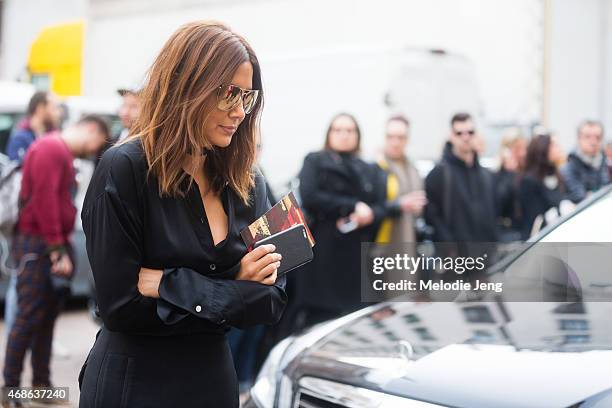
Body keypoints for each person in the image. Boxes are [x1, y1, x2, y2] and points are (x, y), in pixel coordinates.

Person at [77, 22, 287, 408]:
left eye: (247, 96)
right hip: (136, 383)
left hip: (212, 381)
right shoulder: (123, 168)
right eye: (228, 94)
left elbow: (273, 297)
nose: (240, 111)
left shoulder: (250, 179)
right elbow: (120, 308)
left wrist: (169, 285)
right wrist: (237, 283)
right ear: (187, 87)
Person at [2, 116, 109, 408]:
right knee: (27, 318)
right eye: (96, 144)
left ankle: (40, 385)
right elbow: (45, 202)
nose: (92, 151)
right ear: (91, 129)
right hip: (38, 245)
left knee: (46, 318)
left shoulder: (55, 150)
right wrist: (56, 249)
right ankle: (9, 390)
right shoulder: (52, 149)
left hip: (43, 244)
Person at [288, 112, 385, 332]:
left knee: (353, 324)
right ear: (329, 134)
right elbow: (310, 195)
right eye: (338, 130)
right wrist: (351, 206)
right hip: (323, 254)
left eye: (350, 130)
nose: (344, 135)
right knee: (318, 323)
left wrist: (369, 214)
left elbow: (380, 205)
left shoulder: (368, 168)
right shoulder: (315, 160)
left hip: (355, 256)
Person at [424, 113, 497, 244]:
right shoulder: (439, 174)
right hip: (455, 258)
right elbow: (432, 217)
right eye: (459, 133)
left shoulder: (485, 175)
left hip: (486, 255)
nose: (466, 137)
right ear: (451, 136)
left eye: (470, 132)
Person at [375, 115, 426, 244]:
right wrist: (399, 205)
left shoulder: (413, 169)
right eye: (390, 137)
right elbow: (370, 208)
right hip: (382, 244)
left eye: (400, 137)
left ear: (407, 139)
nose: (395, 143)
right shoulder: (376, 167)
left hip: (409, 239)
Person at [518, 132, 566, 239]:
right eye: (554, 145)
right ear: (542, 149)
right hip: (538, 239)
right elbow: (535, 219)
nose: (558, 148)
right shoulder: (528, 181)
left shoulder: (558, 176)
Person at [560, 120, 609, 204]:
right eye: (587, 137)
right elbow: (580, 198)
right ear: (579, 139)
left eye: (598, 137)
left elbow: (607, 191)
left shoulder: (603, 162)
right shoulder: (570, 166)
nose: (593, 142)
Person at [5, 91, 62, 164]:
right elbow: (18, 170)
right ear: (40, 109)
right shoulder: (20, 139)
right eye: (54, 108)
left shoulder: (56, 136)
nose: (58, 113)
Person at [495, 128, 527, 242]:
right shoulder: (500, 175)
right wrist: (509, 172)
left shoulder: (526, 173)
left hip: (525, 232)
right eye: (518, 149)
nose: (523, 153)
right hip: (509, 233)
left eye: (524, 148)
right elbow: (500, 202)